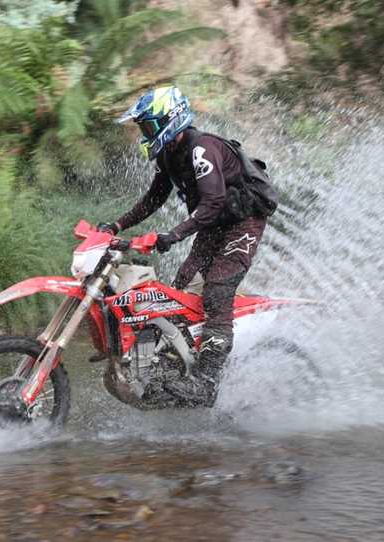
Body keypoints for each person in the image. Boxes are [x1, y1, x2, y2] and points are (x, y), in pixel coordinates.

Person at [99, 86, 270, 407]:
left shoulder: (202, 148)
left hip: (243, 223)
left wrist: (173, 235)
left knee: (217, 291)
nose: (144, 134)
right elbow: (153, 198)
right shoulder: (169, 154)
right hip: (216, 225)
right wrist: (116, 226)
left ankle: (205, 382)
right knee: (178, 294)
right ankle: (174, 367)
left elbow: (214, 201)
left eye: (148, 127)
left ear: (170, 119)